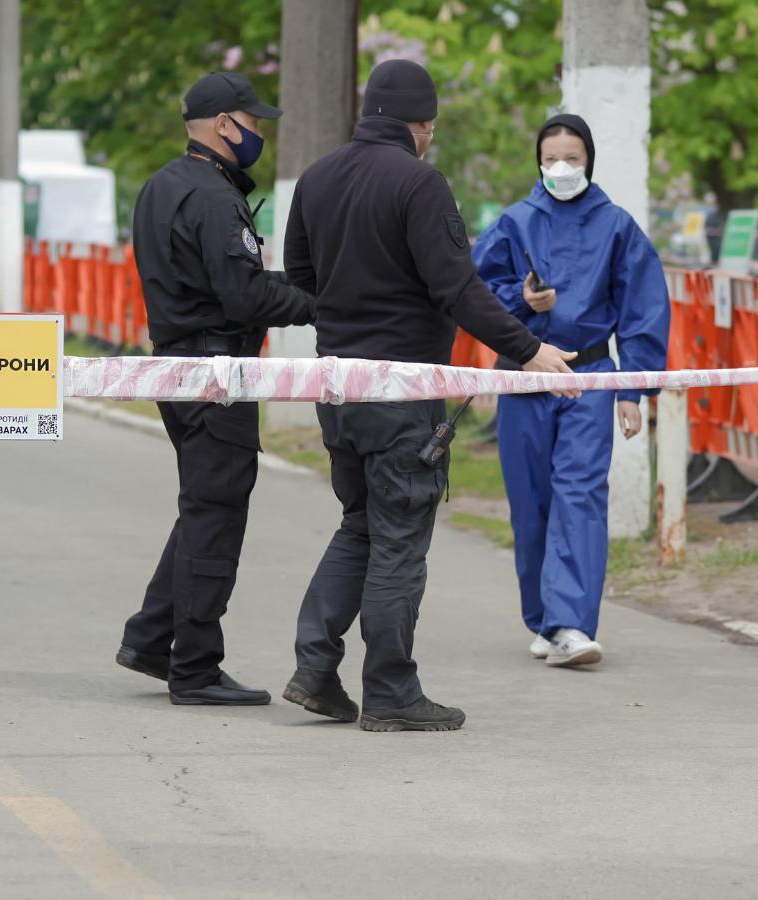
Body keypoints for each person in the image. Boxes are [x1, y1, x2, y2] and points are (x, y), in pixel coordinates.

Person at [282, 60, 578, 733]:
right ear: (421, 125)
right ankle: (390, 691)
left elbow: (302, 279)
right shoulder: (419, 183)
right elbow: (457, 287)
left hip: (337, 390)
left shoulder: (317, 178)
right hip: (403, 393)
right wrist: (529, 349)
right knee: (397, 540)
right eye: (431, 130)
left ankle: (313, 669)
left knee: (361, 521)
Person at [116, 72, 316, 705]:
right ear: (224, 124)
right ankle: (196, 667)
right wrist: (319, 303)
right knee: (217, 514)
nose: (259, 132)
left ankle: (151, 638)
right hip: (216, 373)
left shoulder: (163, 186)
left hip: (177, 369)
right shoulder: (213, 196)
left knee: (201, 506)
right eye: (253, 122)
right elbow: (244, 293)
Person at [472, 114, 670, 668]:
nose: (561, 167)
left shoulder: (616, 226)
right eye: (551, 157)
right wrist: (521, 301)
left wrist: (633, 389)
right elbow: (473, 291)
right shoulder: (514, 222)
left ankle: (571, 623)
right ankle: (543, 618)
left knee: (580, 495)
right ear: (538, 161)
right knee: (530, 501)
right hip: (525, 374)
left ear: (589, 161)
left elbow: (643, 307)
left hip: (588, 379)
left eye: (572, 158)